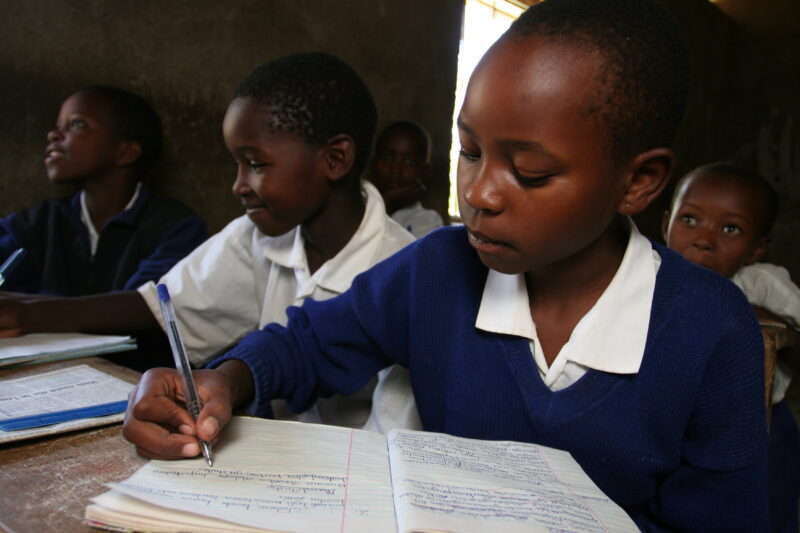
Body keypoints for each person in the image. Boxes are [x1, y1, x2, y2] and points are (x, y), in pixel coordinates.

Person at [122, 1, 770, 530]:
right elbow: (308, 342)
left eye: (531, 171)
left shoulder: (711, 331)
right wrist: (225, 380)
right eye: (471, 151)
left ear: (639, 182)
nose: (482, 193)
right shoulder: (437, 269)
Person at [0, 53, 415, 427]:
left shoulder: (403, 270)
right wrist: (26, 312)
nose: (238, 185)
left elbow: (392, 440)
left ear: (335, 159)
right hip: (277, 459)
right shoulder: (257, 237)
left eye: (255, 164)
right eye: (236, 164)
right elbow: (162, 307)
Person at [663, 161, 800, 533]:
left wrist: (764, 317)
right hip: (680, 419)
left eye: (730, 229)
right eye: (689, 220)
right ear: (666, 224)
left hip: (761, 425)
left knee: (768, 504)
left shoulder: (759, 283)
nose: (704, 238)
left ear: (757, 248)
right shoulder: (652, 273)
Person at [0, 86, 208, 296]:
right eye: (57, 126)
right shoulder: (35, 224)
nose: (53, 135)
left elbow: (144, 308)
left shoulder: (175, 227)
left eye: (77, 124)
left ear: (125, 153)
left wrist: (26, 311)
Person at [370, 120, 443, 238]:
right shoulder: (358, 212)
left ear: (425, 172)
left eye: (409, 161)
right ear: (373, 162)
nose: (395, 169)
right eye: (387, 158)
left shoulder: (427, 221)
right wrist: (385, 203)